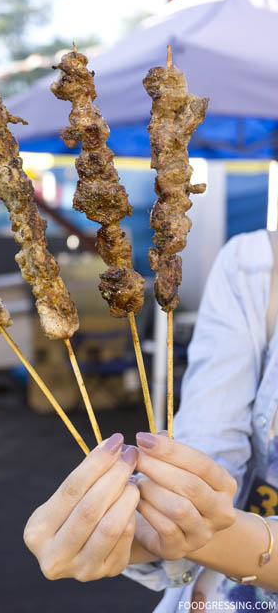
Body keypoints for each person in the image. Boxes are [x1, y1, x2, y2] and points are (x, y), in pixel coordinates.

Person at [24, 230, 278, 609]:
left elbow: (204, 522)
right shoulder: (253, 266)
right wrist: (133, 523)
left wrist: (206, 534)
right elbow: (210, 455)